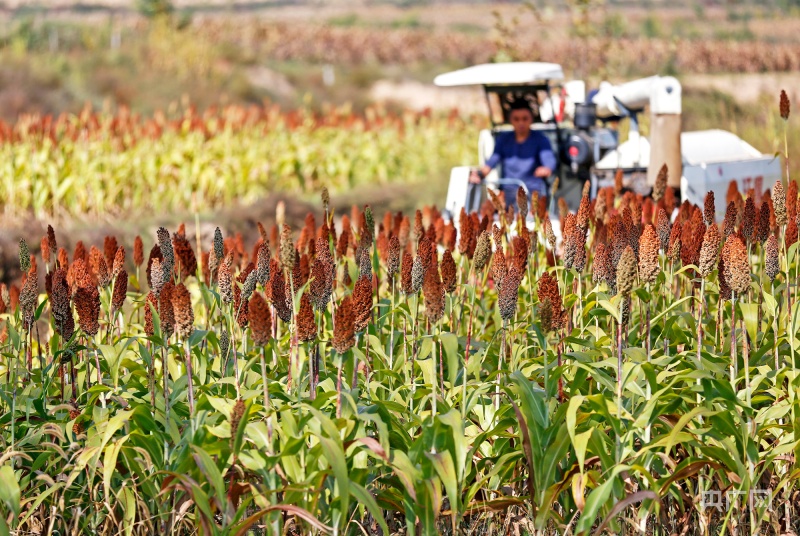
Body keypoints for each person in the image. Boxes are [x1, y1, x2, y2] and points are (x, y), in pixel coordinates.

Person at [469, 99, 557, 210]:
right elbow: (492, 162)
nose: (521, 123)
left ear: (531, 120)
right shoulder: (503, 140)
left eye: (525, 119)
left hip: (532, 191)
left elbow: (549, 161)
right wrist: (479, 174)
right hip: (509, 191)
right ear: (511, 120)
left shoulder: (540, 139)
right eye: (516, 119)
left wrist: (546, 169)